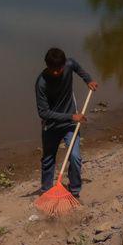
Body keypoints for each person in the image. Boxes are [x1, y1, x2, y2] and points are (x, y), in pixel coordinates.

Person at [35, 47, 99, 197]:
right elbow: (43, 113)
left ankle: (75, 191)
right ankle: (46, 191)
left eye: (59, 69)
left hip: (70, 125)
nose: (57, 72)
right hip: (51, 126)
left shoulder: (69, 65)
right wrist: (71, 116)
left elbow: (76, 66)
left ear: (64, 65)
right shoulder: (41, 83)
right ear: (47, 65)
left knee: (75, 157)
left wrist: (88, 79)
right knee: (48, 159)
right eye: (53, 69)